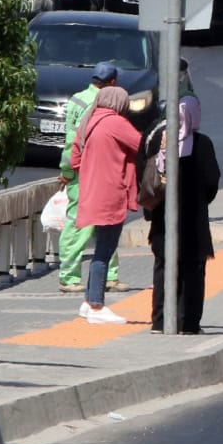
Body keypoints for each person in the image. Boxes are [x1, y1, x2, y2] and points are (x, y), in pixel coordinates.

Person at [144, 61, 221, 334]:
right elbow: (212, 183)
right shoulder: (203, 145)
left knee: (164, 268)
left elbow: (148, 175)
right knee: (193, 271)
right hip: (194, 222)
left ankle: (160, 321)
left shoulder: (160, 141)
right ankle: (188, 323)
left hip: (163, 221)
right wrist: (198, 200)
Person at [69, 85, 142, 325]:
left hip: (91, 191)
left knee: (102, 245)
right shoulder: (114, 122)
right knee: (104, 250)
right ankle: (98, 305)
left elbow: (74, 159)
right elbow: (142, 145)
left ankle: (89, 302)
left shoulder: (90, 120)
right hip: (110, 193)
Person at [57, 62, 123, 295]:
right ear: (112, 83)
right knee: (82, 223)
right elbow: (77, 141)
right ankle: (69, 276)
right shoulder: (99, 104)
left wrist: (66, 170)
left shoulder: (77, 98)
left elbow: (68, 139)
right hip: (89, 171)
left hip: (78, 170)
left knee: (99, 222)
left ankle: (109, 275)